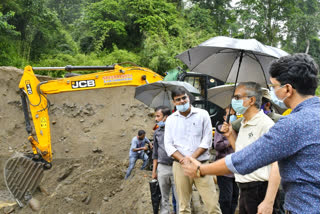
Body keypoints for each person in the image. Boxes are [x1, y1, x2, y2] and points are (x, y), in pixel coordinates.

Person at [182, 53, 320, 214]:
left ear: (288, 89)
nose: (273, 91)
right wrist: (231, 137)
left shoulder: (291, 124)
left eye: (274, 86)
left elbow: (247, 159)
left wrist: (201, 169)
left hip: (302, 206)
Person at [164, 87, 221, 214]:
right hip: (180, 167)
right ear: (174, 102)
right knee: (183, 207)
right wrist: (184, 160)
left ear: (188, 98)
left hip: (202, 165)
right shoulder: (171, 120)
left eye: (184, 98)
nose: (182, 101)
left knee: (212, 206)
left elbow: (206, 141)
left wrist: (191, 159)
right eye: (178, 99)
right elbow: (168, 145)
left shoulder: (202, 114)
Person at [152, 105, 178, 214]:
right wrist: (154, 171)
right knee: (164, 198)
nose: (156, 119)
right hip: (162, 168)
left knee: (179, 197)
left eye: (158, 116)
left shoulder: (176, 130)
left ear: (166, 117)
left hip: (176, 167)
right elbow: (155, 154)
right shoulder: (157, 132)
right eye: (155, 116)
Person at [214, 106, 239, 214]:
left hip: (236, 169)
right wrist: (230, 139)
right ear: (224, 117)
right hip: (224, 169)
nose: (232, 117)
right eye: (229, 115)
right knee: (226, 198)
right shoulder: (220, 129)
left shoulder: (239, 129)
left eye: (234, 114)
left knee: (235, 196)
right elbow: (217, 146)